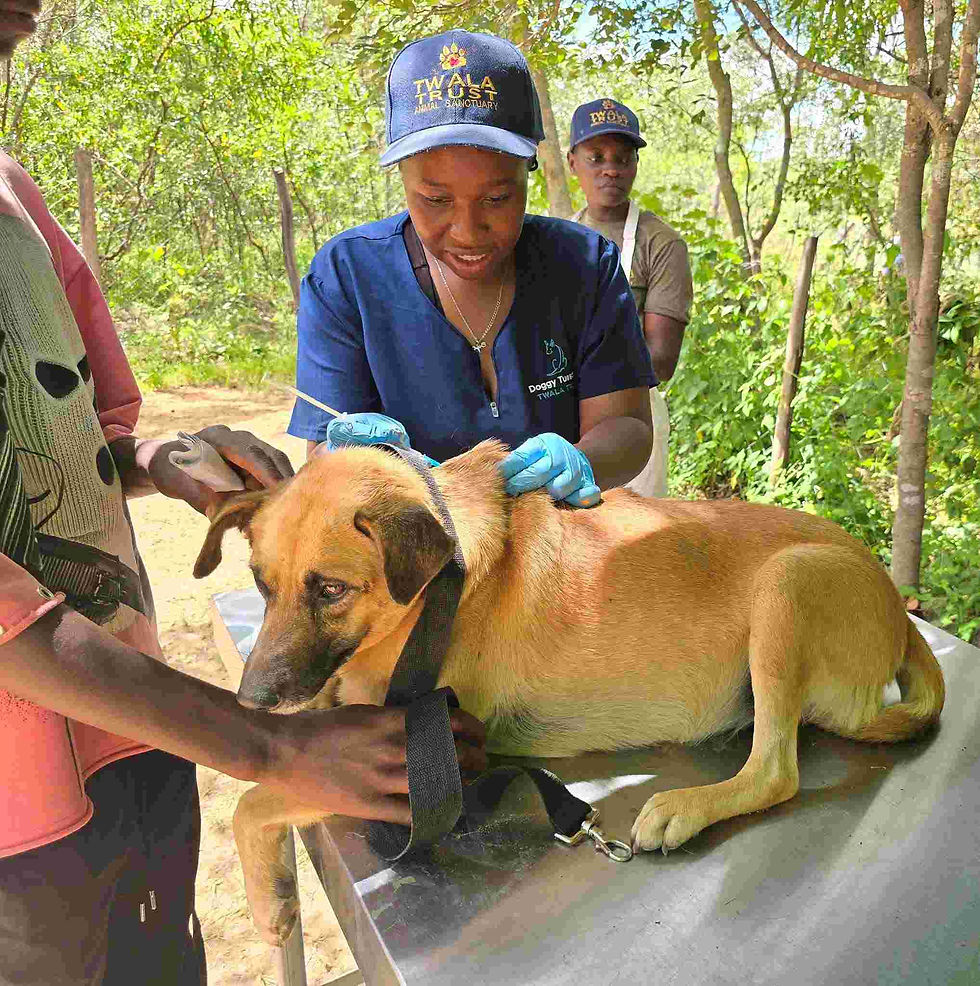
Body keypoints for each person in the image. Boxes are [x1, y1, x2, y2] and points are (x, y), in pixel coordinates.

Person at [0, 8, 484, 985]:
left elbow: (91, 427)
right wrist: (263, 739)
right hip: (17, 821)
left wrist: (165, 459)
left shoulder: (16, 199)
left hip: (132, 726)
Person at [287, 30, 655, 506]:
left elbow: (626, 427)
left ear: (530, 170)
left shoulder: (584, 267)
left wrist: (584, 459)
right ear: (403, 179)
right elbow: (323, 456)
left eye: (497, 198)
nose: (467, 231)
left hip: (561, 554)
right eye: (435, 200)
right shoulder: (345, 278)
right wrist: (352, 459)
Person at [567, 98, 693, 497]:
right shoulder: (557, 240)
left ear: (635, 166)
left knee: (636, 537)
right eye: (596, 156)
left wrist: (582, 378)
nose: (610, 169)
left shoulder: (661, 244)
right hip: (561, 412)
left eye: (623, 159)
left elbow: (661, 360)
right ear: (573, 161)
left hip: (632, 416)